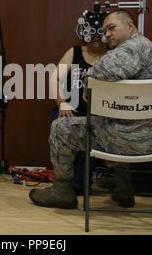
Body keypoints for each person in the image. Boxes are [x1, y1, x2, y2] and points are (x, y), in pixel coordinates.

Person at [30, 10, 152, 209]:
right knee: (109, 123)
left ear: (131, 26)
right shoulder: (146, 47)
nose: (106, 35)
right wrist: (63, 100)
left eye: (111, 28)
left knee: (61, 128)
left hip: (128, 138)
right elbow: (57, 77)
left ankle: (62, 191)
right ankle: (124, 189)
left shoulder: (131, 48)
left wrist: (89, 79)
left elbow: (101, 71)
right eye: (104, 31)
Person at [50, 35, 107, 194]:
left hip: (98, 112)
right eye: (92, 36)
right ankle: (63, 184)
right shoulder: (74, 52)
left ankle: (81, 182)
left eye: (99, 36)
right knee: (61, 128)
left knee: (93, 135)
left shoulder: (113, 56)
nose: (95, 40)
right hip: (70, 109)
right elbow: (54, 79)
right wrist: (61, 102)